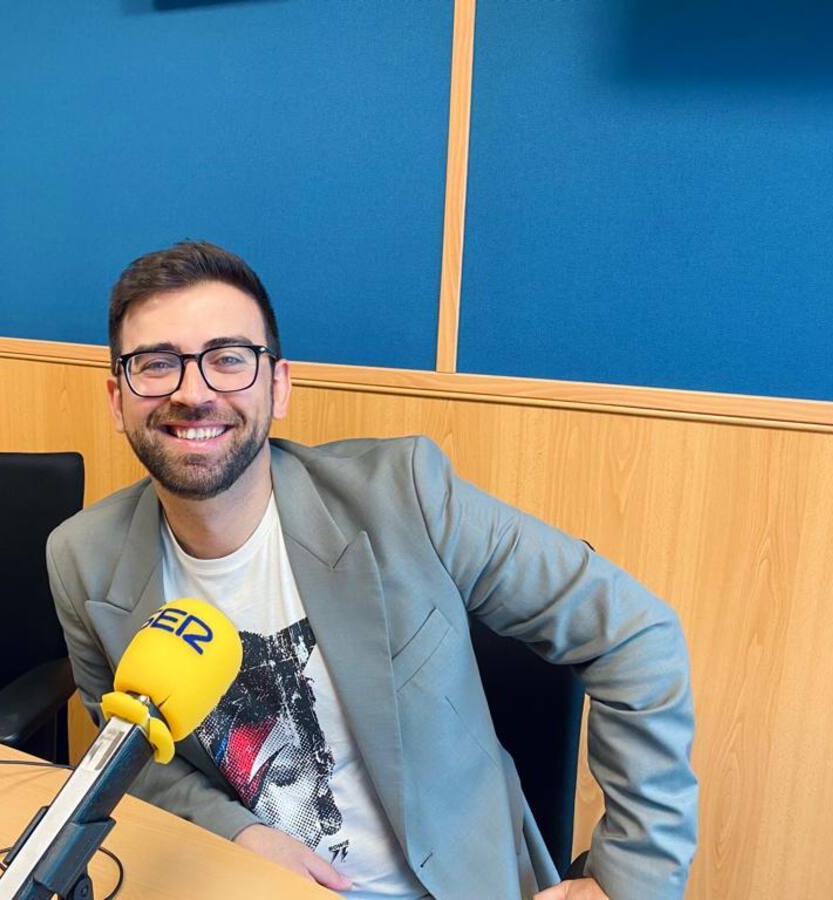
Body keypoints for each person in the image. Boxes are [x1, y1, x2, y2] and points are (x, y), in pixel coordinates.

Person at [47, 241, 698, 900]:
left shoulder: (405, 494)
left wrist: (628, 883)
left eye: (228, 359)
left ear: (278, 385)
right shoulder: (81, 559)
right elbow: (130, 755)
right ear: (117, 399)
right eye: (157, 364)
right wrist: (237, 832)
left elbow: (634, 633)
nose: (193, 391)